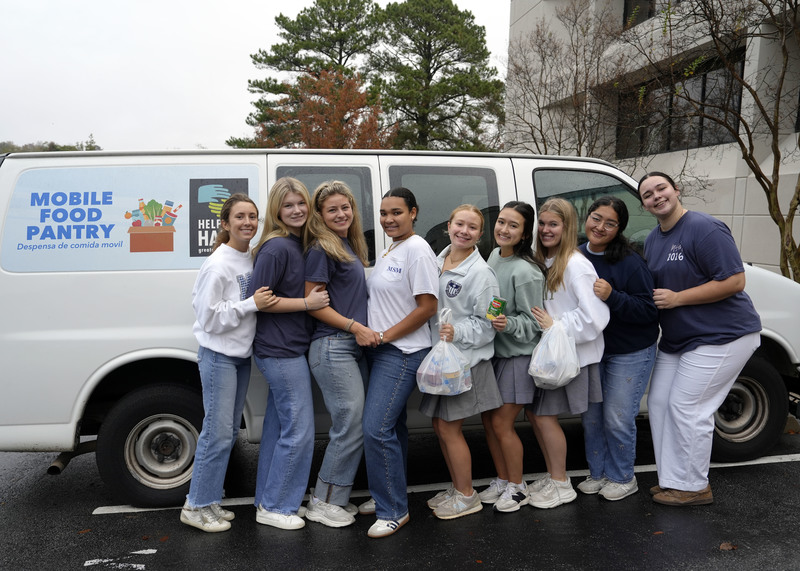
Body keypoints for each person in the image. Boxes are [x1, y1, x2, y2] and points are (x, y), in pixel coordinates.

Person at [638, 172, 761, 506]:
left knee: (688, 407)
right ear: (645, 205)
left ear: (676, 190)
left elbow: (735, 281)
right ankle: (673, 480)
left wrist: (678, 298)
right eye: (648, 194)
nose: (656, 196)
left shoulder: (704, 227)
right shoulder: (653, 239)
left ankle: (694, 487)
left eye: (661, 188)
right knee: (660, 403)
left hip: (722, 334)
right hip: (680, 339)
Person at [181, 193, 277, 533]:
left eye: (253, 216)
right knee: (217, 434)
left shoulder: (246, 258)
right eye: (240, 217)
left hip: (239, 358)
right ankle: (195, 505)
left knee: (225, 435)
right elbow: (209, 318)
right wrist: (251, 304)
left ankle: (209, 501)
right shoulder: (219, 263)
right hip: (219, 356)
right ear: (225, 223)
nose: (248, 222)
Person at [249, 177, 330, 531]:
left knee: (280, 428)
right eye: (288, 205)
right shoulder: (277, 247)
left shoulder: (298, 243)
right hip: (279, 351)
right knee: (299, 430)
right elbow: (259, 301)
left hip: (289, 347)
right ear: (276, 210)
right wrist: (307, 303)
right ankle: (278, 505)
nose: (296, 210)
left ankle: (267, 499)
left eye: (301, 203)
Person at [360, 187, 438, 538]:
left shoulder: (418, 250)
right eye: (383, 213)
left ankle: (393, 510)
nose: (388, 219)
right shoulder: (393, 248)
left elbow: (427, 307)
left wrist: (385, 336)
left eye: (396, 212)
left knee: (375, 428)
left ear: (414, 212)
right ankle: (386, 494)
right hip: (384, 349)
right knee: (394, 429)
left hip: (403, 351)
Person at [420, 205, 502, 520]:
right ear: (448, 226)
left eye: (472, 227)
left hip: (466, 362)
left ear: (480, 234)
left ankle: (467, 496)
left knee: (449, 428)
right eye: (459, 224)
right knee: (440, 427)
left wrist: (458, 331)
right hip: (440, 361)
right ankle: (458, 487)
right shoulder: (438, 261)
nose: (464, 231)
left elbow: (490, 321)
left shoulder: (483, 274)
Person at [303, 181, 377, 527]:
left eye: (345, 207)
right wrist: (355, 327)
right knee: (348, 424)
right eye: (332, 209)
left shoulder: (346, 244)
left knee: (356, 424)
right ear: (320, 215)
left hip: (348, 347)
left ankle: (335, 497)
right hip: (333, 346)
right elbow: (314, 305)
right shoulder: (322, 248)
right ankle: (323, 502)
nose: (341, 214)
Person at [527, 197, 610, 509]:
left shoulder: (576, 265)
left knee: (544, 415)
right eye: (543, 223)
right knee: (536, 414)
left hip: (571, 357)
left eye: (554, 224)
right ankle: (554, 475)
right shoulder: (544, 260)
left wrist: (555, 325)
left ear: (567, 227)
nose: (546, 230)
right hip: (549, 355)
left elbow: (595, 317)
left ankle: (562, 484)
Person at [576, 196, 659, 501]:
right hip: (593, 349)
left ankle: (623, 477)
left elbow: (649, 311)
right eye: (596, 218)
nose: (600, 227)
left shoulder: (629, 262)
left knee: (617, 416)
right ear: (587, 217)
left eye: (610, 223)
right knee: (592, 416)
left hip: (630, 350)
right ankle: (598, 473)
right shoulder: (576, 255)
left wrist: (613, 296)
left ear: (619, 229)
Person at [480, 201, 545, 513]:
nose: (504, 229)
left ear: (523, 234)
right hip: (495, 353)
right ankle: (503, 479)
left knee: (502, 423)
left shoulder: (526, 271)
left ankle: (518, 487)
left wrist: (509, 323)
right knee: (489, 422)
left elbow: (534, 323)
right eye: (501, 222)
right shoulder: (494, 255)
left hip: (518, 357)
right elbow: (497, 301)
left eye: (513, 225)